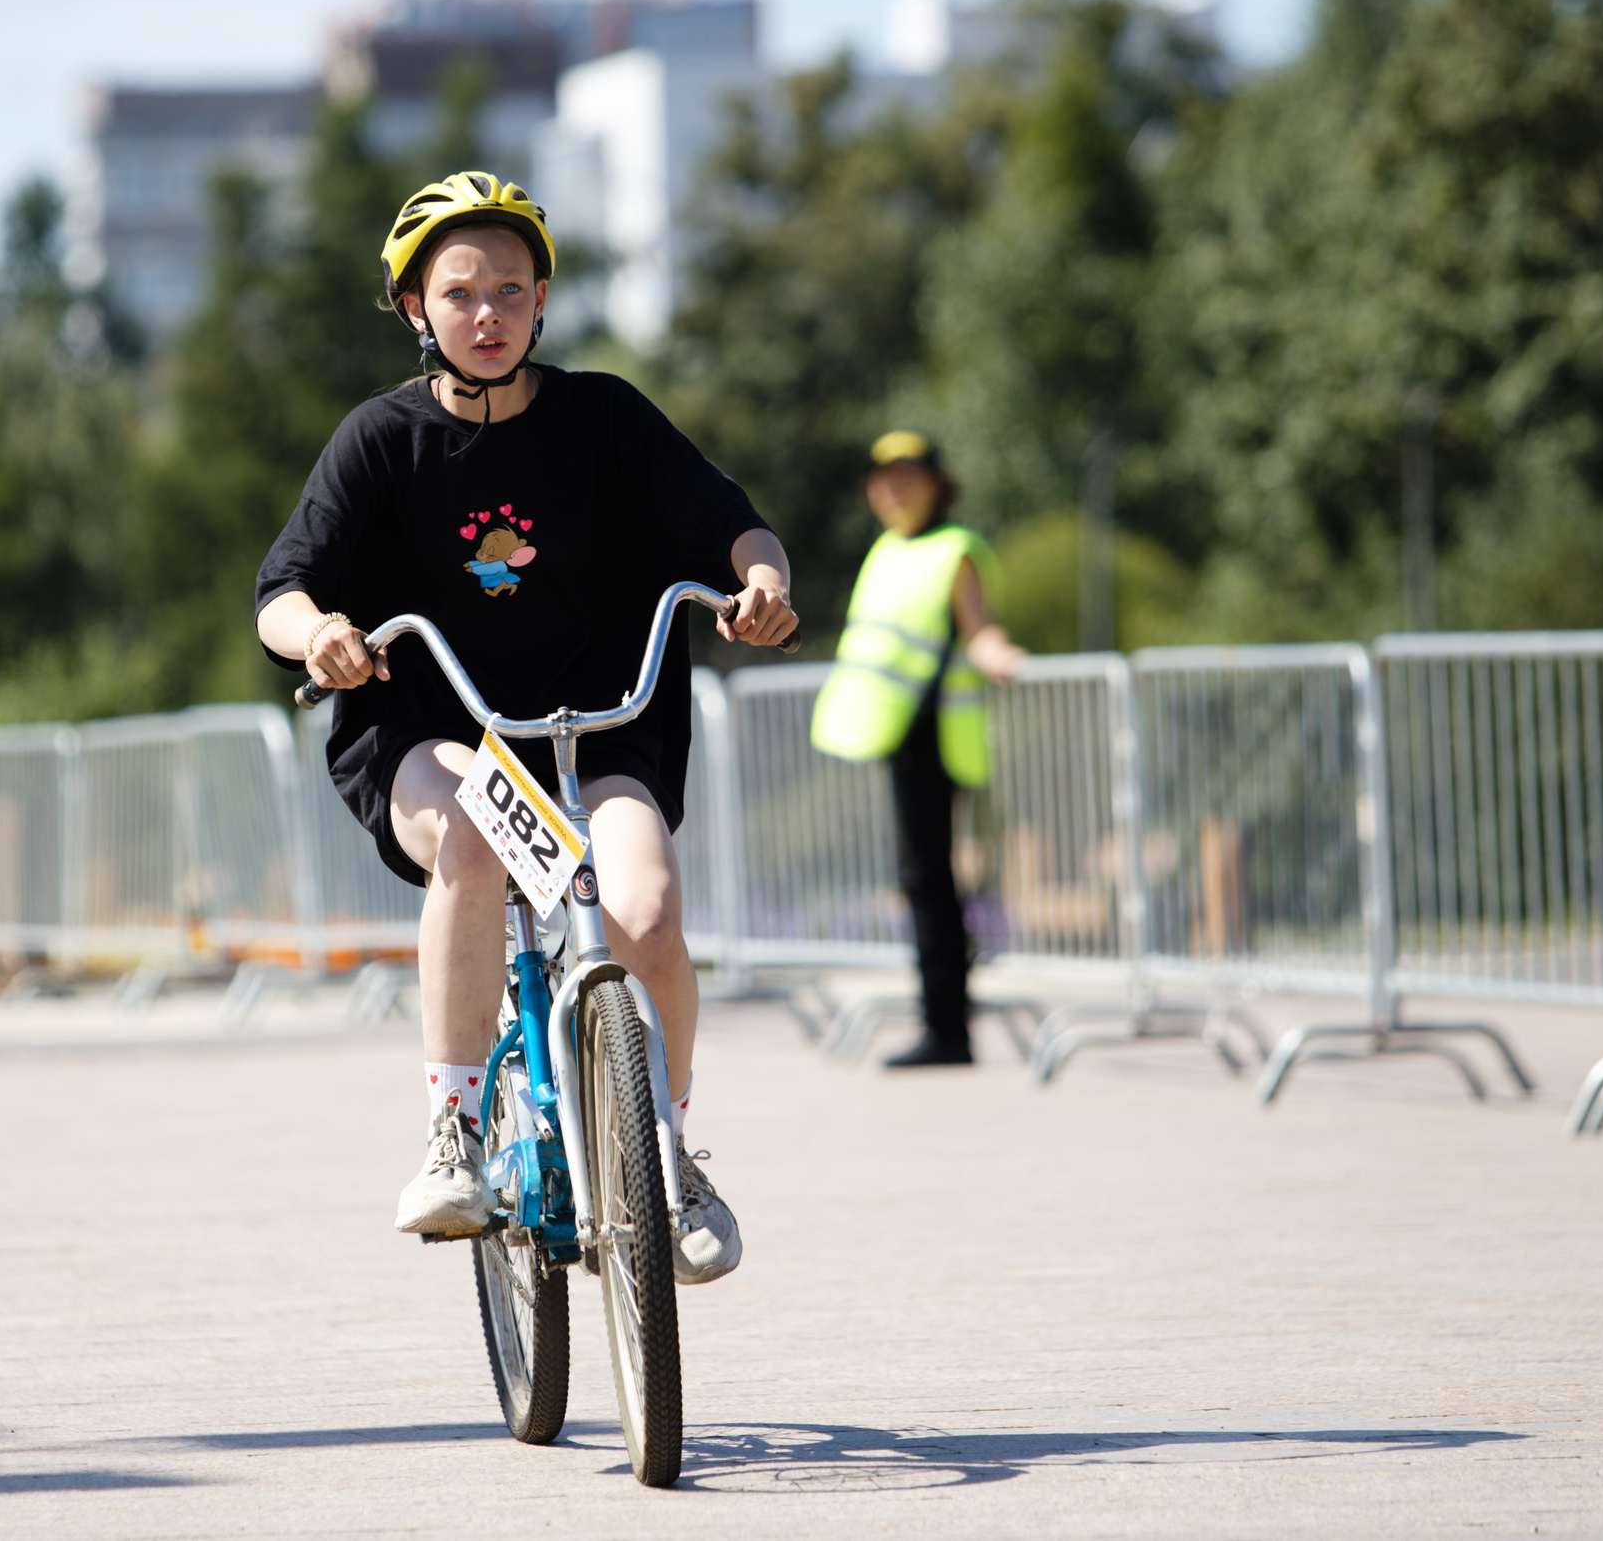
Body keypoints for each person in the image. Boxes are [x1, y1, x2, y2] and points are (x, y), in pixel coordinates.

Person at [254, 171, 797, 1283]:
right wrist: (318, 636)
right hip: (429, 733)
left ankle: (669, 1155)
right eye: (460, 294)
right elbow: (283, 589)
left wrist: (760, 587)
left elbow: (734, 527)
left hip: (599, 730)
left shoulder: (603, 416)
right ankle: (453, 1134)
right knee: (477, 831)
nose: (488, 314)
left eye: (511, 289)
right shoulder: (379, 441)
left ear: (543, 298)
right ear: (416, 310)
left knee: (642, 911)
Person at [811, 431, 1026, 1067]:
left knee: (931, 884)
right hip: (895, 736)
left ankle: (948, 1031)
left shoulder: (953, 549)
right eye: (884, 480)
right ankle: (941, 1024)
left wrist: (1000, 654)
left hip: (937, 740)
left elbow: (978, 627)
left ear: (937, 485)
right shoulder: (886, 549)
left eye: (908, 477)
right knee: (920, 882)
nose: (894, 490)